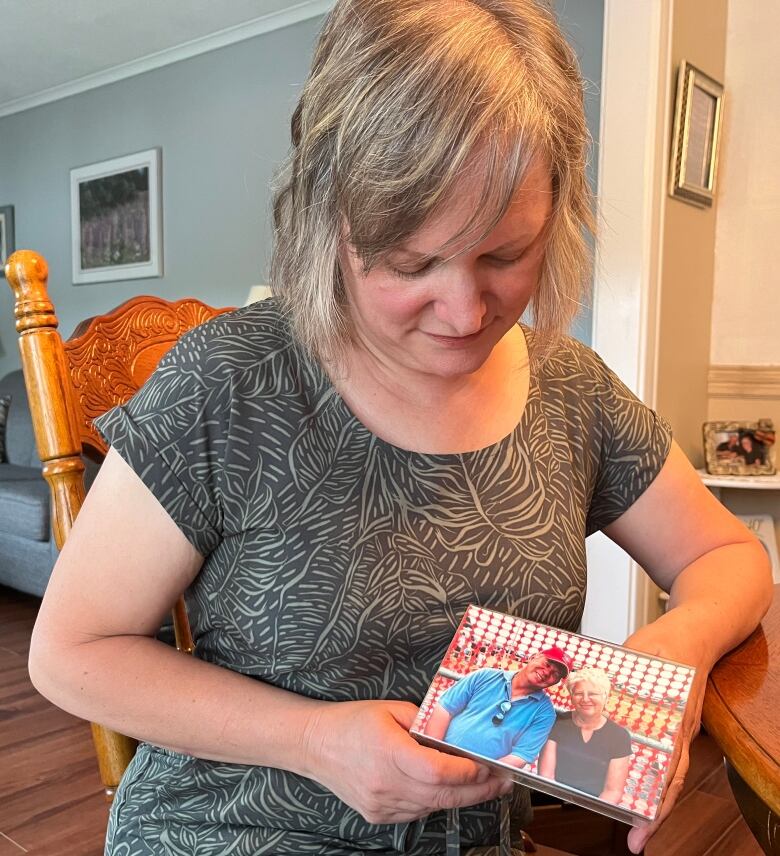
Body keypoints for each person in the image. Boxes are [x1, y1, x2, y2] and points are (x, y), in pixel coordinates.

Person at [26, 1, 772, 854]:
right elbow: (70, 652)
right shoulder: (231, 379)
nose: (464, 311)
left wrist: (675, 651)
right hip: (232, 830)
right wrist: (312, 740)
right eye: (412, 262)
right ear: (329, 217)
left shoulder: (572, 394)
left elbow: (728, 556)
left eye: (505, 253)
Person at [425, 649, 572, 768]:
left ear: (557, 682)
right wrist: (433, 754)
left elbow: (521, 755)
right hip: (441, 756)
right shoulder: (484, 676)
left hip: (480, 774)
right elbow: (445, 710)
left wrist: (480, 774)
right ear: (534, 657)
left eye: (556, 674)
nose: (547, 672)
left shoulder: (545, 713)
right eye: (547, 664)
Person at [538, 668, 632, 804]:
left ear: (606, 697)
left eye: (593, 693)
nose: (585, 699)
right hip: (552, 800)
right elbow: (546, 776)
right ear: (571, 696)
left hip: (594, 807)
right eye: (579, 693)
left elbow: (612, 791)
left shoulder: (620, 736)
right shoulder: (557, 722)